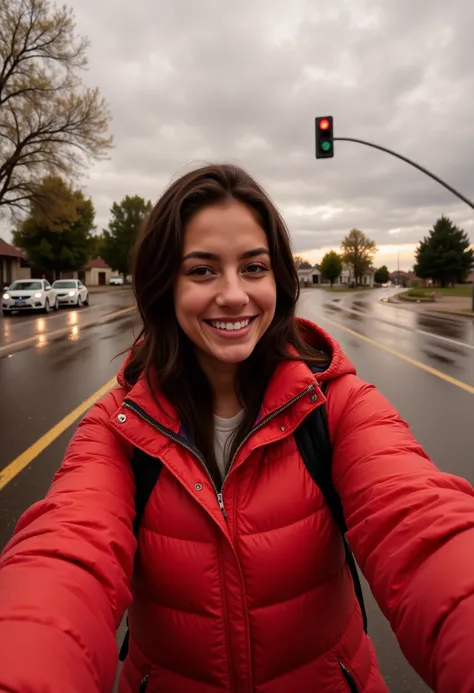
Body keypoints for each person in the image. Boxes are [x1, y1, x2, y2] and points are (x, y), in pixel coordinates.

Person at [1, 164, 474, 693]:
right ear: (165, 286)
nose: (233, 294)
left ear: (279, 279)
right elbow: (63, 556)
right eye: (202, 270)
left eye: (253, 267)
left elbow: (425, 526)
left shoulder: (339, 407)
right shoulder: (118, 428)